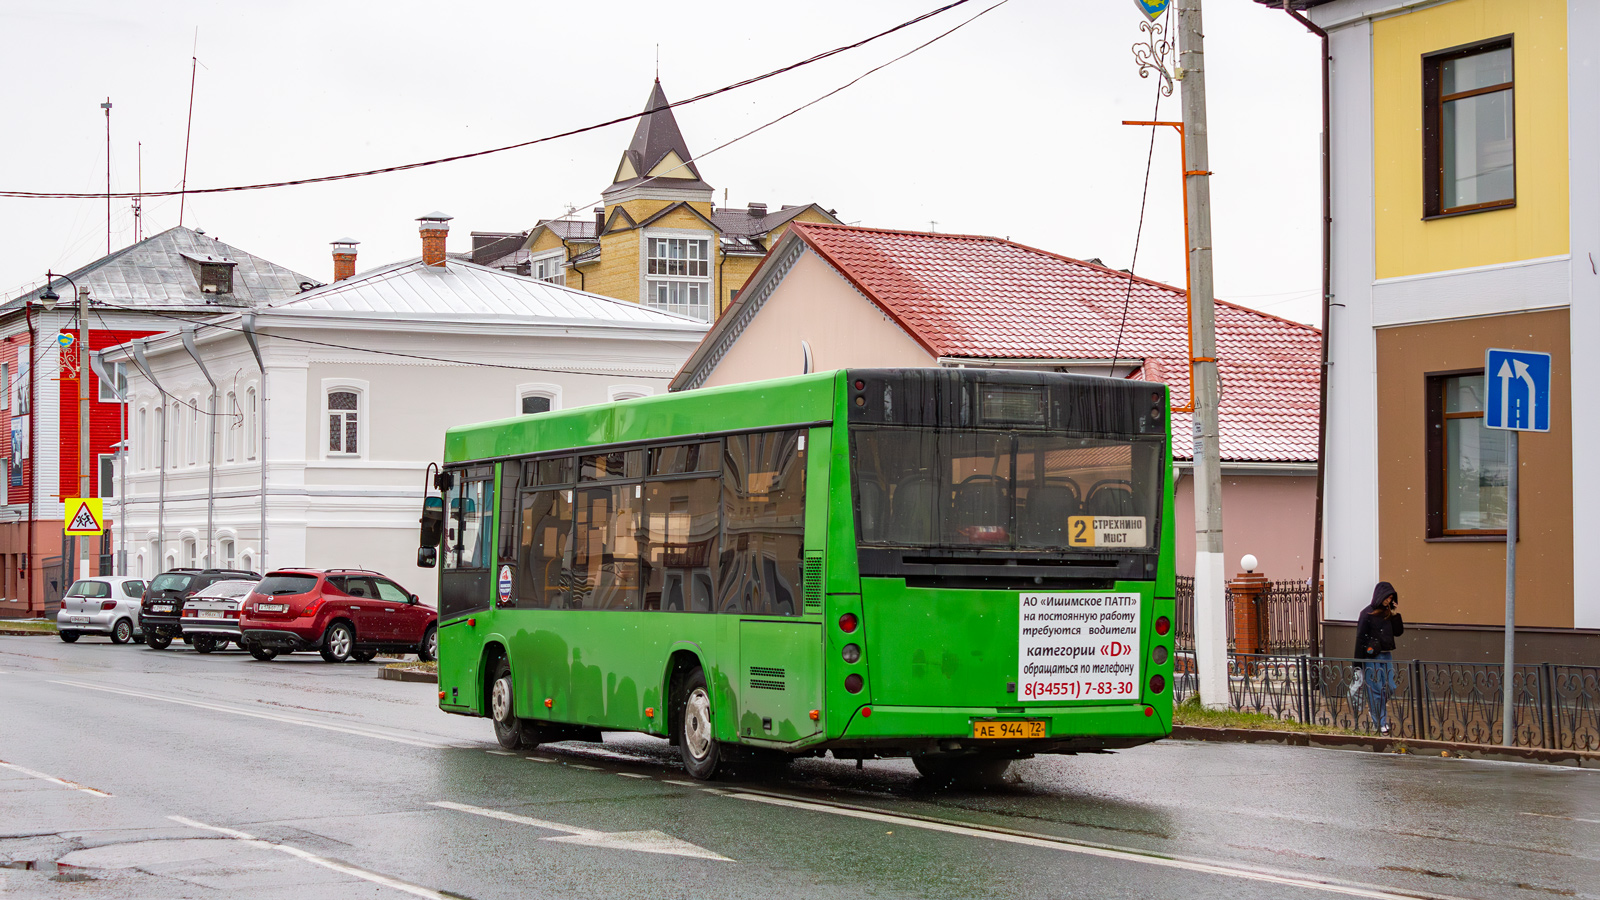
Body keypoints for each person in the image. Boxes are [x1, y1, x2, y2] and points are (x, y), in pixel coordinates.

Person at [1353, 582, 1404, 734]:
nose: (1388, 600)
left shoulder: (1388, 613)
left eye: (1391, 598)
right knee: (1376, 689)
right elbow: (1360, 638)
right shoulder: (1367, 613)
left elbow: (1398, 632)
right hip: (1372, 656)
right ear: (1380, 595)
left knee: (1390, 687)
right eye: (1387, 597)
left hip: (1387, 655)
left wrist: (1394, 614)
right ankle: (1380, 723)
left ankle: (1374, 708)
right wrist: (1357, 665)